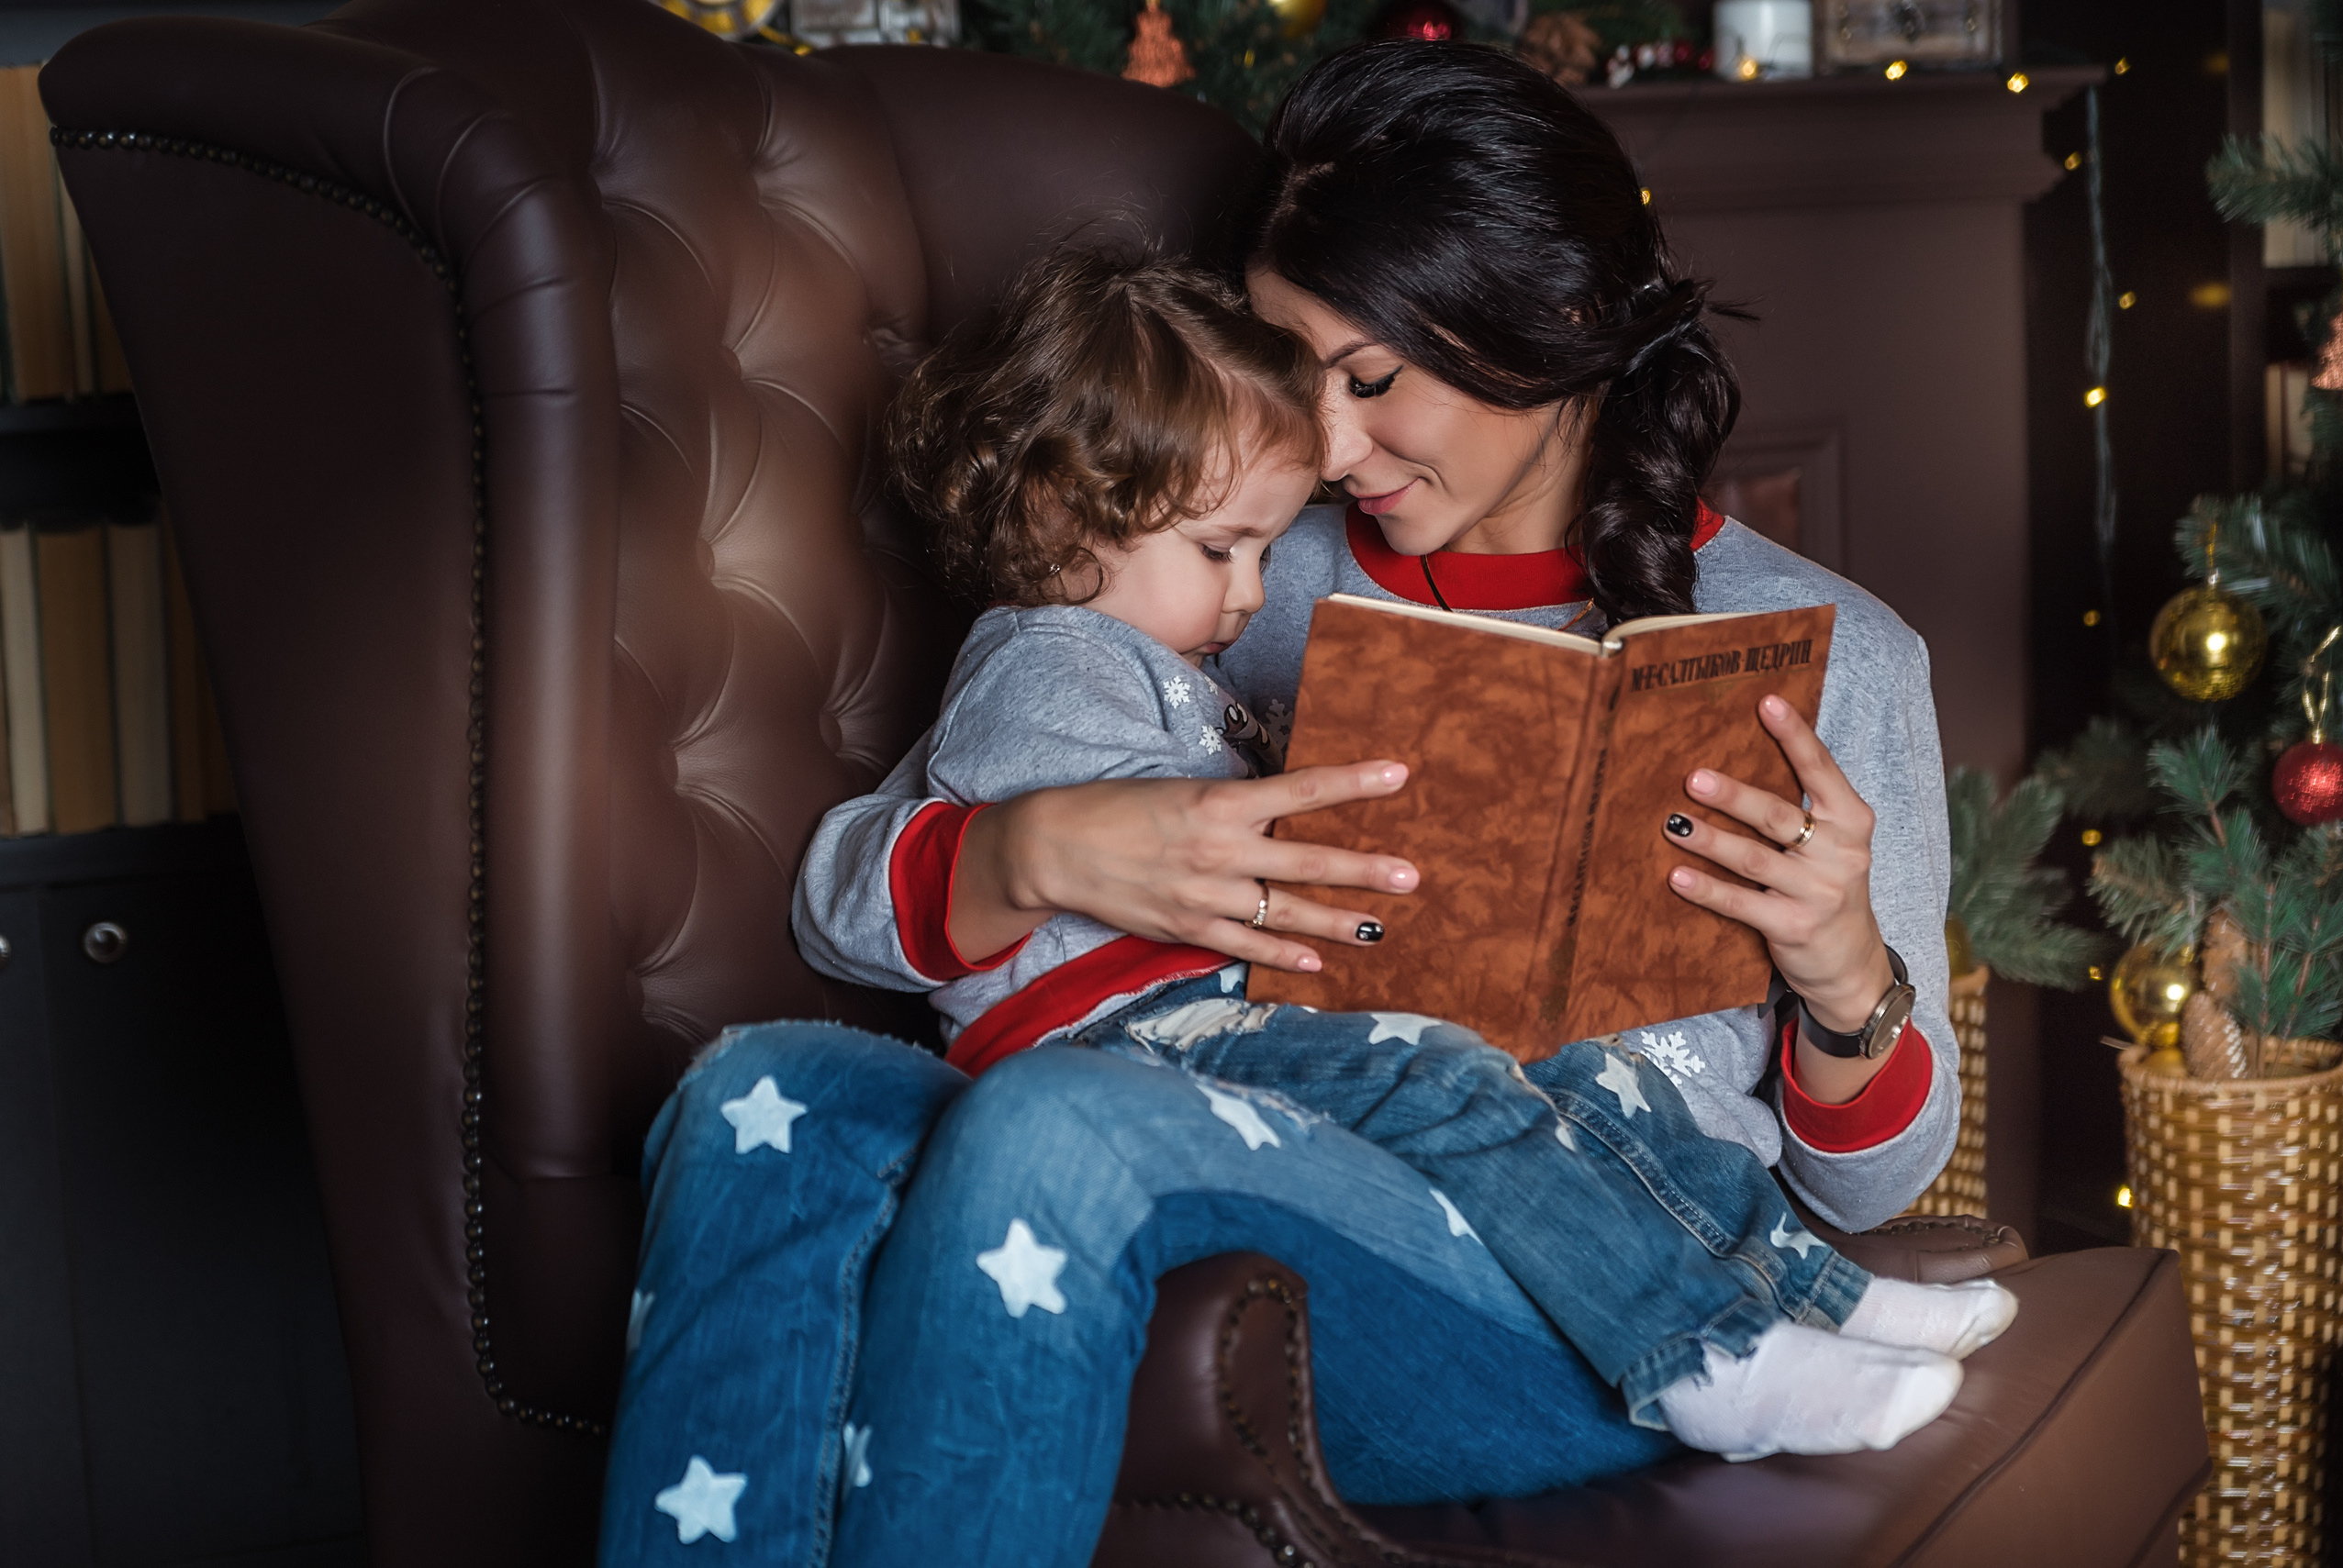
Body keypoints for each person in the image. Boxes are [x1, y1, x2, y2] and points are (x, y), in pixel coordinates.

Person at [600, 40, 1968, 1568]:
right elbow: (844, 887)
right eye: (1291, 373)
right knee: (748, 1100)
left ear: (1560, 327)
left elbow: (1876, 1179)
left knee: (1060, 1125)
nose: (1324, 444)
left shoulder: (1827, 655)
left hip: (1574, 1289)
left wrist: (1845, 976)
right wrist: (1037, 845)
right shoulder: (1210, 554)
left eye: (1373, 381)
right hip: (1209, 1125)